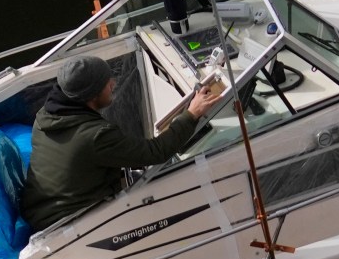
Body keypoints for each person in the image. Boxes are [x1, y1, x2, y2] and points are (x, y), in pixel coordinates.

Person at [19, 54, 228, 229]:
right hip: (66, 223)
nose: (114, 83)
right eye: (106, 83)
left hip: (39, 210)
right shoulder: (95, 136)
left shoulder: (45, 116)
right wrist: (192, 114)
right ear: (91, 95)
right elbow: (156, 152)